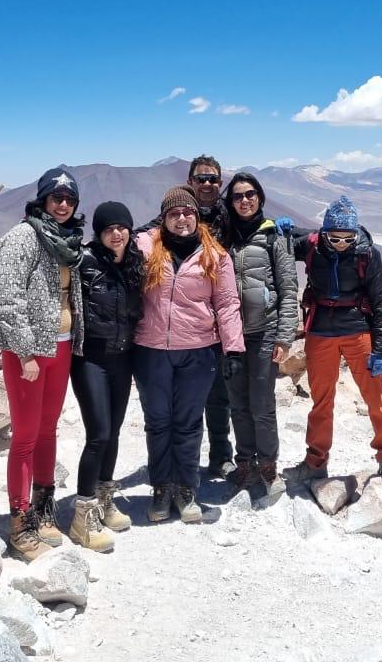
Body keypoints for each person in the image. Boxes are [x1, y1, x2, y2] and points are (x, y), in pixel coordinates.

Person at [0, 167, 85, 561]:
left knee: (48, 429)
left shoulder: (67, 240)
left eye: (69, 199)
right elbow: (6, 298)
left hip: (61, 345)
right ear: (43, 199)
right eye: (56, 198)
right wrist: (24, 350)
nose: (62, 205)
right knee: (25, 434)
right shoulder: (22, 238)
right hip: (28, 352)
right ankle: (19, 519)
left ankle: (45, 508)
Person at [133, 184, 245, 523]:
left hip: (197, 351)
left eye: (188, 212)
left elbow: (226, 303)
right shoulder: (147, 246)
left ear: (197, 216)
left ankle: (186, 488)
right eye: (173, 213)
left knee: (187, 422)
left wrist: (233, 348)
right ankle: (160, 488)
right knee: (157, 422)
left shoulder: (215, 255)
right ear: (163, 218)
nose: (181, 218)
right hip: (151, 350)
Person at [283, 195, 382, 488]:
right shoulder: (312, 245)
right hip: (320, 331)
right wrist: (279, 227)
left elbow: (380, 301)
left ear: (356, 233)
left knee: (375, 396)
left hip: (357, 331)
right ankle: (315, 461)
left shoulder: (367, 254)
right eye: (334, 237)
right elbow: (289, 236)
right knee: (321, 401)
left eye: (347, 238)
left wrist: (380, 349)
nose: (340, 243)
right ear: (324, 232)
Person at [139, 155, 234, 476]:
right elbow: (141, 237)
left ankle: (221, 455)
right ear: (191, 181)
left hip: (215, 324)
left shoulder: (230, 215)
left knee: (219, 395)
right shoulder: (171, 218)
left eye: (213, 179)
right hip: (173, 331)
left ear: (220, 183)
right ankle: (170, 475)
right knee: (174, 409)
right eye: (201, 178)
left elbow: (260, 224)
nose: (207, 184)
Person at [67, 201, 144, 553]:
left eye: (122, 227)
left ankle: (104, 499)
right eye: (109, 228)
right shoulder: (83, 262)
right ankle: (82, 517)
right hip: (90, 359)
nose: (117, 233)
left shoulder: (134, 264)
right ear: (98, 232)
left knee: (112, 433)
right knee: (98, 435)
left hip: (122, 358)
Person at [222, 172, 299, 497]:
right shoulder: (224, 238)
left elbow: (288, 287)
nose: (244, 200)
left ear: (260, 198)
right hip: (232, 336)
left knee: (262, 404)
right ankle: (245, 464)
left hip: (265, 333)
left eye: (250, 194)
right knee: (238, 404)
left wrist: (284, 336)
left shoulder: (273, 238)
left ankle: (268, 466)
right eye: (238, 196)